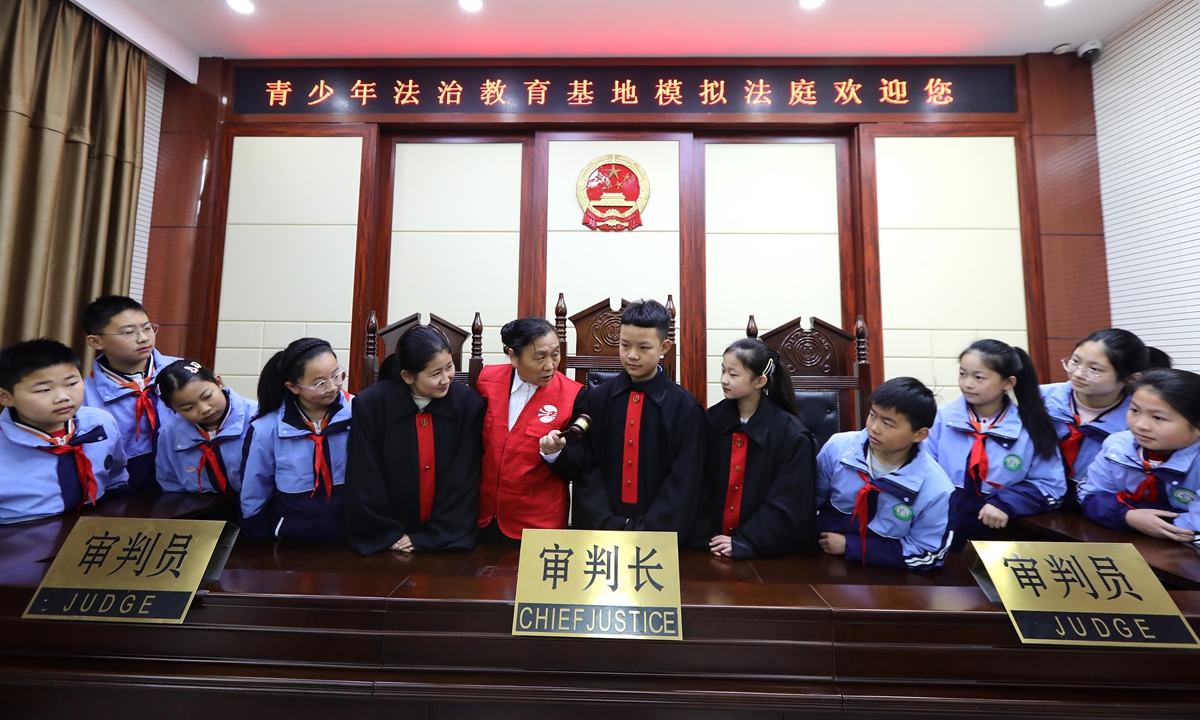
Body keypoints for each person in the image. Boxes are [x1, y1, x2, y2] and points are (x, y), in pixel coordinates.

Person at [540, 299, 704, 535]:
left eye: (644, 348)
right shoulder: (596, 399)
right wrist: (606, 522)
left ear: (664, 347)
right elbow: (588, 468)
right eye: (625, 345)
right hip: (601, 531)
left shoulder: (685, 409)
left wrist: (648, 529)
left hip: (660, 535)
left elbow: (684, 482)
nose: (632, 355)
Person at [346, 326, 485, 555]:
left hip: (448, 540)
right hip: (389, 541)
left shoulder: (468, 405)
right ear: (407, 376)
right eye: (434, 374)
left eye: (449, 367)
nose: (445, 379)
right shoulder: (371, 405)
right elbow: (365, 476)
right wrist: (388, 533)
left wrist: (435, 535)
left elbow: (464, 478)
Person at [926, 339, 1064, 550]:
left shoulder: (1031, 427)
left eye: (979, 377)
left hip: (1001, 534)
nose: (967, 383)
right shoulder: (941, 418)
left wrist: (1006, 502)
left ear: (1008, 383)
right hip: (940, 528)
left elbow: (1051, 486)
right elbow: (922, 468)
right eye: (963, 374)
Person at [691, 338, 815, 559]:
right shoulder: (709, 421)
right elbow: (693, 484)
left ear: (760, 381)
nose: (723, 380)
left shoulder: (792, 436)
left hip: (767, 553)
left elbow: (789, 503)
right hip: (707, 546)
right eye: (722, 371)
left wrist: (746, 541)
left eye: (733, 374)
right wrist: (705, 535)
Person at [816, 377, 955, 568]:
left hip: (890, 573)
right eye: (873, 415)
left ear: (920, 434)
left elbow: (928, 552)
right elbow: (809, 503)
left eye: (888, 424)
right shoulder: (838, 448)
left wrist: (851, 546)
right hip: (821, 555)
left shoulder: (937, 488)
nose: (874, 428)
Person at [475, 317, 582, 543]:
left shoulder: (573, 396)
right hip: (483, 519)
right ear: (513, 356)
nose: (550, 365)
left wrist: (555, 453)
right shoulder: (486, 381)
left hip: (539, 525)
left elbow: (580, 465)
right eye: (540, 357)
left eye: (555, 355)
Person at [0, 339, 127, 522]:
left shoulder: (101, 422)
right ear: (6, 397)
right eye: (43, 390)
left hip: (92, 524)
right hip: (18, 535)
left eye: (71, 383)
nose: (62, 397)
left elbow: (116, 480)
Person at [241, 338, 352, 540]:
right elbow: (255, 485)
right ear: (293, 387)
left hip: (352, 531)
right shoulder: (267, 428)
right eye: (320, 383)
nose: (333, 387)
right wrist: (255, 531)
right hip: (292, 535)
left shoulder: (359, 412)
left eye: (336, 375)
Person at [1079, 369, 1200, 546]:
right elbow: (1090, 497)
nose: (1140, 425)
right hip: (1126, 545)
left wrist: (1125, 508)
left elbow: (1195, 525)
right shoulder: (1116, 445)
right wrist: (1128, 516)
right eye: (1134, 410)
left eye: (1158, 417)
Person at [1041, 329, 1152, 506]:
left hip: (1099, 510)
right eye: (1075, 362)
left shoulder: (1140, 422)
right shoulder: (1039, 399)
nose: (1077, 374)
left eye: (1094, 369)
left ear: (1131, 378)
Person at [82, 295, 180, 493]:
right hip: (124, 493)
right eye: (129, 332)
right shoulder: (83, 397)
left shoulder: (183, 372)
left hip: (189, 483)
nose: (143, 337)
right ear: (95, 342)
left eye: (147, 328)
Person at [155, 360, 257, 495]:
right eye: (188, 408)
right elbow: (170, 484)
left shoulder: (258, 418)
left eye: (208, 396)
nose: (204, 409)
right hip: (199, 508)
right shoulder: (169, 433)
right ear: (172, 409)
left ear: (219, 382)